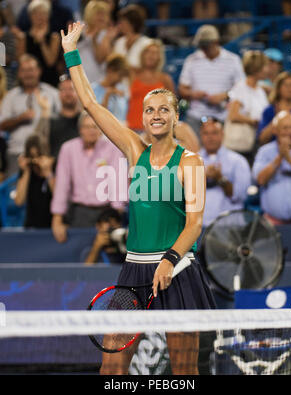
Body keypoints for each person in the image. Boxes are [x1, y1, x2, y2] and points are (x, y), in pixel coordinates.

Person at [61, 21, 216, 375]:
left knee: (184, 372)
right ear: (143, 118)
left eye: (164, 109)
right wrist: (71, 50)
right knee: (112, 367)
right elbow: (89, 102)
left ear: (176, 117)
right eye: (150, 110)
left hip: (176, 269)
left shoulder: (190, 161)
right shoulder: (134, 150)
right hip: (134, 269)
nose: (156, 115)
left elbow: (195, 223)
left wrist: (169, 260)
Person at [51, 111, 127, 243]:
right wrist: (57, 219)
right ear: (80, 129)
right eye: (87, 127)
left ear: (101, 130)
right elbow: (62, 185)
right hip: (79, 212)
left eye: (95, 127)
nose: (91, 131)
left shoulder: (113, 149)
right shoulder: (68, 149)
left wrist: (115, 216)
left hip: (106, 212)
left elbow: (119, 184)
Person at [178, 24, 245, 135]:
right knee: (191, 151)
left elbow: (242, 89)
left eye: (206, 45)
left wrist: (225, 95)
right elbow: (182, 89)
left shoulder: (233, 60)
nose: (203, 49)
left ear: (216, 42)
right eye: (201, 46)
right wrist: (193, 94)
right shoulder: (191, 60)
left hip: (223, 116)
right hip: (196, 116)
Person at [0, 54, 60, 177]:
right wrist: (20, 119)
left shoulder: (52, 93)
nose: (28, 74)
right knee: (14, 193)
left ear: (39, 71)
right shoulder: (11, 96)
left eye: (31, 70)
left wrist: (46, 114)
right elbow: (2, 125)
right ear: (19, 74)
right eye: (24, 70)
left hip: (45, 154)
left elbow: (61, 120)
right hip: (17, 153)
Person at [198, 117, 251, 226]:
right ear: (201, 136)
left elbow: (241, 195)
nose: (210, 137)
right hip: (199, 226)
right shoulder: (191, 160)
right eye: (206, 134)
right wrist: (200, 176)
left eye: (214, 133)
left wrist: (220, 178)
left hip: (229, 226)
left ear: (222, 135)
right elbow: (181, 193)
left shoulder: (238, 161)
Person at [252, 111, 291, 225]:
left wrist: (290, 160)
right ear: (275, 130)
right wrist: (279, 158)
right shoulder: (264, 152)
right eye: (285, 128)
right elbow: (260, 179)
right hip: (272, 223)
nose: (289, 132)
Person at [225, 50, 269, 164]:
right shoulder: (241, 88)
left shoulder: (260, 90)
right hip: (240, 145)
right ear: (256, 68)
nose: (267, 69)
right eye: (265, 66)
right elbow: (233, 115)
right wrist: (253, 121)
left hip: (255, 143)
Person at [127, 39, 175, 133]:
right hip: (132, 128)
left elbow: (172, 108)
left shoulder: (165, 79)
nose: (151, 55)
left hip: (156, 130)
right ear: (142, 54)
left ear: (159, 57)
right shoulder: (132, 75)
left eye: (155, 53)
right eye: (148, 52)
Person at [14, 0, 61, 87]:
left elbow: (51, 62)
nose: (39, 16)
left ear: (48, 15)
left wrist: (42, 42)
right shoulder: (23, 37)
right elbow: (20, 61)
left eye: (43, 13)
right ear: (30, 16)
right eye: (35, 13)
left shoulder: (54, 37)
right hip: (28, 82)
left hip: (50, 81)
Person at [33, 74, 81, 158]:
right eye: (63, 90)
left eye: (71, 89)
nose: (67, 93)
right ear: (58, 94)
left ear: (78, 93)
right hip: (55, 167)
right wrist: (44, 111)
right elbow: (37, 141)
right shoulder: (51, 120)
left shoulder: (84, 120)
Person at [14, 134, 54, 228]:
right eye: (32, 157)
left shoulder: (55, 167)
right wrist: (26, 171)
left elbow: (60, 198)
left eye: (39, 156)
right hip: (32, 224)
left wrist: (48, 173)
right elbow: (19, 201)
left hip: (53, 224)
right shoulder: (27, 170)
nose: (36, 161)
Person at [257, 71, 291, 146]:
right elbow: (262, 139)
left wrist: (288, 124)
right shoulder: (269, 110)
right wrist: (277, 119)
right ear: (278, 88)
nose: (290, 89)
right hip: (272, 152)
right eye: (286, 85)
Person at [77, 0, 115, 83]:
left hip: (98, 77)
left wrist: (94, 40)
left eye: (104, 14)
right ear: (90, 14)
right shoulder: (80, 29)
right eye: (98, 13)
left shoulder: (106, 34)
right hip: (79, 73)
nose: (101, 17)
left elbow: (101, 59)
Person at [91, 53, 130, 123]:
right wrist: (107, 94)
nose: (120, 79)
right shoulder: (93, 89)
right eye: (119, 75)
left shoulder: (122, 90)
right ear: (110, 70)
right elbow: (98, 116)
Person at [113, 4, 152, 70]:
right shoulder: (119, 42)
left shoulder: (147, 44)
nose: (119, 25)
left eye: (122, 22)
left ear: (132, 23)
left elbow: (149, 70)